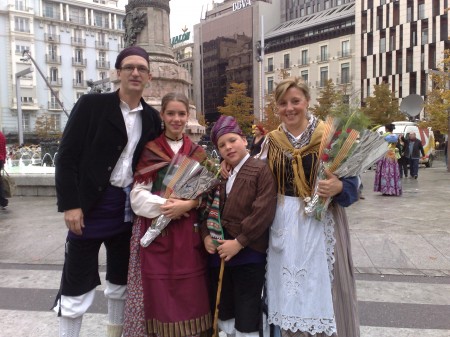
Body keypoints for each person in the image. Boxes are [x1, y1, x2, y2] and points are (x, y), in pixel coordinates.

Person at [53, 46, 162, 337]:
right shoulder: (92, 105)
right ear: (118, 73)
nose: (135, 72)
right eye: (129, 67)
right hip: (88, 208)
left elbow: (157, 165)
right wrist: (71, 205)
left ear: (149, 76)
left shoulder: (152, 119)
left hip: (126, 211)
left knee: (120, 283)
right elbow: (66, 157)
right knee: (75, 284)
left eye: (141, 68)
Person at [259, 78, 360, 337]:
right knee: (289, 292)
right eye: (283, 103)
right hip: (284, 225)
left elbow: (354, 185)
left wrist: (339, 188)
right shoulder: (271, 142)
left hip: (323, 221)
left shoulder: (330, 136)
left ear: (307, 102)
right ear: (276, 108)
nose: (289, 108)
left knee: (326, 290)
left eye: (295, 101)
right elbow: (255, 179)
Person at [124, 92, 211, 337]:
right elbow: (138, 196)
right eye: (171, 113)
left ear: (188, 116)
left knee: (191, 291)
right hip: (157, 232)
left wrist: (188, 205)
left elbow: (207, 195)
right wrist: (166, 205)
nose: (176, 119)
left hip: (187, 233)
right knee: (158, 292)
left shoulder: (197, 153)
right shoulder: (151, 149)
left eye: (181, 114)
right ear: (162, 115)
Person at [203, 115, 277, 337]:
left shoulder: (260, 170)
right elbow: (206, 208)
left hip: (248, 253)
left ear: (244, 140)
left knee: (247, 309)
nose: (228, 147)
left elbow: (263, 211)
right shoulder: (220, 174)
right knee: (224, 308)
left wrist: (239, 242)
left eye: (232, 140)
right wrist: (206, 235)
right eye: (222, 145)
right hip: (220, 253)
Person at [374, 123, 402, 196]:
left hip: (386, 155)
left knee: (386, 173)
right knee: (394, 172)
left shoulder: (384, 136)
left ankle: (386, 189)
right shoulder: (396, 136)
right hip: (393, 156)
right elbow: (398, 146)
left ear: (386, 129)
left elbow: (379, 144)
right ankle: (394, 189)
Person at [0, 131, 8, 208]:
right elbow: (4, 150)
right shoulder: (2, 135)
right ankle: (3, 200)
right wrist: (4, 161)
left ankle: (3, 200)